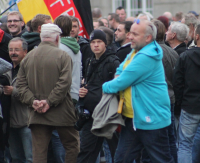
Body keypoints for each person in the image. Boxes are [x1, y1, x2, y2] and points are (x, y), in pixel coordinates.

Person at [102, 19, 174, 163]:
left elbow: (121, 82)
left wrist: (104, 87)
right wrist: (119, 77)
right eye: (130, 33)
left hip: (151, 119)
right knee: (121, 159)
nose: (130, 37)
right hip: (134, 119)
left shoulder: (146, 56)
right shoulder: (136, 51)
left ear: (148, 38)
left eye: (135, 34)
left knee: (161, 160)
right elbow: (120, 70)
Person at [16, 23, 79, 163]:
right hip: (62, 112)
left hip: (36, 112)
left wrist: (33, 101)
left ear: (41, 37)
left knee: (39, 152)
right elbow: (64, 83)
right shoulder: (63, 56)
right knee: (72, 146)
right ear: (57, 38)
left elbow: (20, 84)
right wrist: (49, 102)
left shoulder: (28, 57)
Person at [77, 29, 120, 163]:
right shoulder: (89, 60)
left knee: (116, 151)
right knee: (87, 151)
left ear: (105, 44)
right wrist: (83, 90)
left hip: (108, 113)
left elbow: (117, 86)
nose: (96, 45)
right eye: (93, 42)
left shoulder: (113, 61)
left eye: (99, 42)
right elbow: (90, 83)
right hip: (91, 114)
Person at [0, 37, 32, 162]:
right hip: (10, 122)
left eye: (17, 50)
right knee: (16, 158)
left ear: (25, 52)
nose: (13, 52)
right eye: (11, 49)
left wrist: (15, 92)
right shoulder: (6, 70)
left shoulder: (31, 69)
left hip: (27, 121)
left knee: (30, 158)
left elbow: (36, 93)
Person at [152, 19, 179, 163]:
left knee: (160, 140)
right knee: (170, 138)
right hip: (171, 97)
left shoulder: (154, 52)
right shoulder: (172, 52)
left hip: (159, 100)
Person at [173, 23, 200, 163]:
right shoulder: (185, 56)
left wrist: (180, 102)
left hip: (189, 105)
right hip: (189, 105)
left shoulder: (185, 56)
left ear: (197, 36)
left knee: (185, 145)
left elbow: (177, 82)